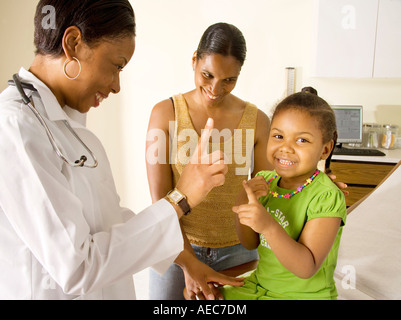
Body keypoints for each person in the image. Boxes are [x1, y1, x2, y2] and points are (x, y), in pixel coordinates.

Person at [0, 0, 230, 300]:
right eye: (116, 66)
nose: (117, 85)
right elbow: (77, 267)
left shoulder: (70, 127)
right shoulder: (15, 127)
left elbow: (109, 219)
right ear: (73, 43)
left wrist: (187, 262)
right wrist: (180, 199)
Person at [146, 22, 271, 300]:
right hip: (174, 248)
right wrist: (190, 265)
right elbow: (160, 203)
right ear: (194, 60)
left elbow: (267, 194)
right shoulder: (164, 114)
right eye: (207, 74)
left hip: (239, 251)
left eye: (229, 80)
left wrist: (314, 182)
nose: (216, 88)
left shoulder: (258, 121)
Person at [220, 91, 347, 299]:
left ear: (325, 150)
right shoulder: (265, 180)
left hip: (302, 296)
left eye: (302, 140)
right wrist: (243, 200)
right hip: (260, 286)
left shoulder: (326, 196)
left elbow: (307, 267)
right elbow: (250, 243)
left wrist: (268, 225)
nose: (285, 148)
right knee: (200, 295)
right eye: (278, 136)